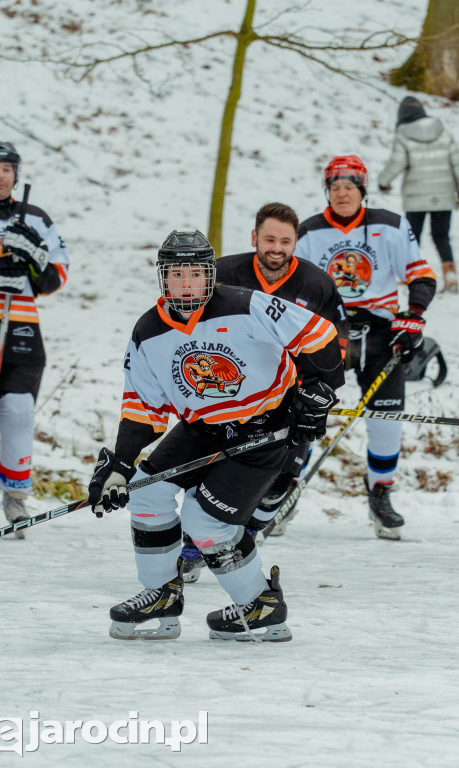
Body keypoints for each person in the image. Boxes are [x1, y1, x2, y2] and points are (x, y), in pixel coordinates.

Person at [88, 229, 344, 642]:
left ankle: (260, 605)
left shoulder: (246, 305)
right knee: (145, 491)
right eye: (176, 275)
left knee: (204, 520)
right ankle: (161, 593)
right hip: (202, 427)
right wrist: (119, 464)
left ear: (210, 275)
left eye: (195, 274)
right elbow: (142, 407)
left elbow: (320, 336)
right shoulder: (148, 331)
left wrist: (317, 390)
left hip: (263, 427)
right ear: (162, 278)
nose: (186, 284)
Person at [180, 202, 348, 583]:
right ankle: (192, 546)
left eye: (285, 241)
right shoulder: (222, 273)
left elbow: (336, 344)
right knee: (210, 472)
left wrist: (320, 389)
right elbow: (188, 325)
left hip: (291, 401)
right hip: (230, 393)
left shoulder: (317, 284)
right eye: (269, 239)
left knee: (278, 484)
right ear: (254, 237)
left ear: (295, 242)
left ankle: (245, 536)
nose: (277, 248)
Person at [296, 154, 436, 540]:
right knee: (304, 411)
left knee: (386, 418)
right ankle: (284, 489)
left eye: (349, 187)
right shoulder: (307, 231)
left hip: (380, 331)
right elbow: (293, 287)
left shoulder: (391, 225)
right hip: (327, 331)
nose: (342, 194)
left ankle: (380, 493)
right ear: (327, 192)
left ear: (362, 190)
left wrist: (414, 315)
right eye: (335, 187)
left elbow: (421, 275)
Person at [0, 140, 69, 535]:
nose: (0, 175)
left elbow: (55, 277)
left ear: (16, 175)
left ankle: (14, 499)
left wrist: (35, 257)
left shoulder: (35, 217)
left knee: (18, 413)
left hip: (21, 329)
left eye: (7, 169)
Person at [378, 96, 459, 294]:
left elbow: (396, 163)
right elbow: (458, 164)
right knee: (441, 236)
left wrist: (383, 182)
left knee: (413, 238)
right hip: (442, 197)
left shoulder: (403, 135)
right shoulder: (443, 133)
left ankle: (410, 275)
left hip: (415, 199)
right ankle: (450, 273)